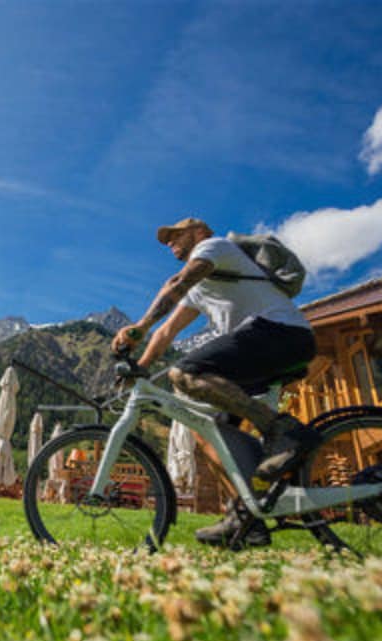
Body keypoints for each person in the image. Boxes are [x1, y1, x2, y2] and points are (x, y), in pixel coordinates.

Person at [111, 217, 319, 547]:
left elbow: (178, 281)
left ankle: (282, 429)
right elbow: (167, 332)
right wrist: (139, 368)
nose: (170, 243)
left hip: (282, 334)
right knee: (206, 430)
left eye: (175, 235)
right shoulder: (200, 290)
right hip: (258, 348)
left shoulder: (215, 247)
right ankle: (247, 517)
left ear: (199, 232)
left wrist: (140, 327)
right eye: (167, 239)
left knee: (185, 374)